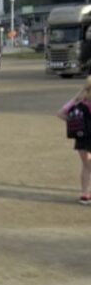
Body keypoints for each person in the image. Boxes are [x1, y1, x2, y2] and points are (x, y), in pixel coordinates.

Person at [56, 77, 91, 206]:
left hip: (82, 137)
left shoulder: (78, 102)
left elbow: (60, 114)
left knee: (86, 166)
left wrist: (75, 121)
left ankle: (85, 195)